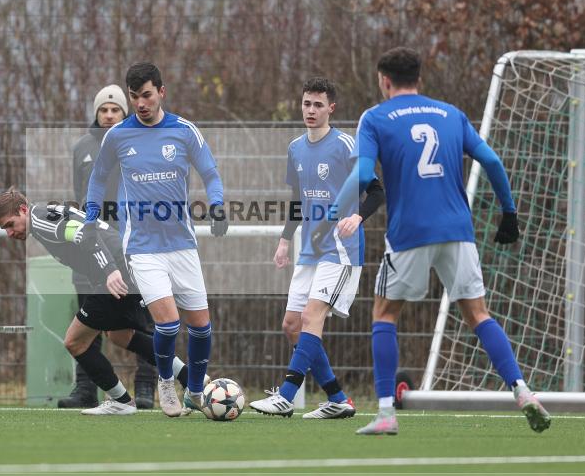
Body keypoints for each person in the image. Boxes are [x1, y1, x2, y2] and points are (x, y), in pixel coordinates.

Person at [336, 47, 550, 435]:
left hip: (409, 233)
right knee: (478, 314)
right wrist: (509, 212)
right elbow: (493, 162)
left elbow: (362, 175)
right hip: (458, 230)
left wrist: (332, 212)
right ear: (419, 78)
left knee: (385, 314)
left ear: (385, 80)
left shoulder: (376, 117)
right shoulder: (452, 114)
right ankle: (522, 391)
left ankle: (385, 412)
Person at [83, 61, 228, 417]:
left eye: (146, 95)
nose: (140, 103)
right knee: (167, 322)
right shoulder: (118, 136)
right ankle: (165, 382)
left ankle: (194, 390)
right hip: (143, 248)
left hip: (182, 244)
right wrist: (90, 213)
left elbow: (209, 172)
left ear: (161, 92)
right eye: (134, 97)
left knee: (201, 326)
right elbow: (98, 178)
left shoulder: (184, 130)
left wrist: (218, 205)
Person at [0, 188, 196, 415]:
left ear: (23, 210)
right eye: (5, 229)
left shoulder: (42, 223)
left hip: (116, 273)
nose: (9, 233)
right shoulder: (42, 213)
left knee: (75, 342)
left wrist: (110, 271)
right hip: (128, 266)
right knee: (120, 336)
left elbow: (87, 235)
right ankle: (191, 379)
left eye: (10, 224)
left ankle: (121, 401)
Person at [249, 77, 384, 419]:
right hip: (309, 248)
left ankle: (286, 395)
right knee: (292, 324)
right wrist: (284, 239)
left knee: (312, 317)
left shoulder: (345, 145)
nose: (311, 110)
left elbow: (377, 191)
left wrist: (357, 216)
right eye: (306, 103)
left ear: (331, 108)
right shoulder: (295, 147)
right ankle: (338, 398)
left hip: (340, 249)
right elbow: (298, 200)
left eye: (318, 105)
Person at [59, 85, 158, 410]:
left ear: (124, 114)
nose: (109, 115)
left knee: (141, 319)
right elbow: (79, 196)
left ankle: (146, 387)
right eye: (104, 110)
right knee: (88, 313)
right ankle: (86, 387)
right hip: (90, 244)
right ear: (97, 113)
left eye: (116, 110)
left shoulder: (137, 143)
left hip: (130, 244)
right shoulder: (82, 148)